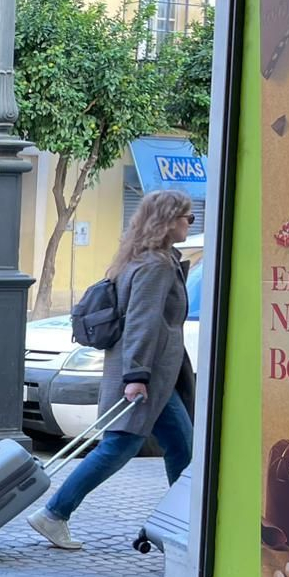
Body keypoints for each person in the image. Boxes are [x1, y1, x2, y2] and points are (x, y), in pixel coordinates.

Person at [28, 190, 196, 550]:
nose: (190, 222)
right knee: (122, 446)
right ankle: (55, 513)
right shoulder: (155, 265)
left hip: (154, 380)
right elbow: (142, 322)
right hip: (145, 379)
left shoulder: (143, 260)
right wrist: (137, 376)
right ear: (167, 221)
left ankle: (183, 525)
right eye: (186, 216)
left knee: (181, 448)